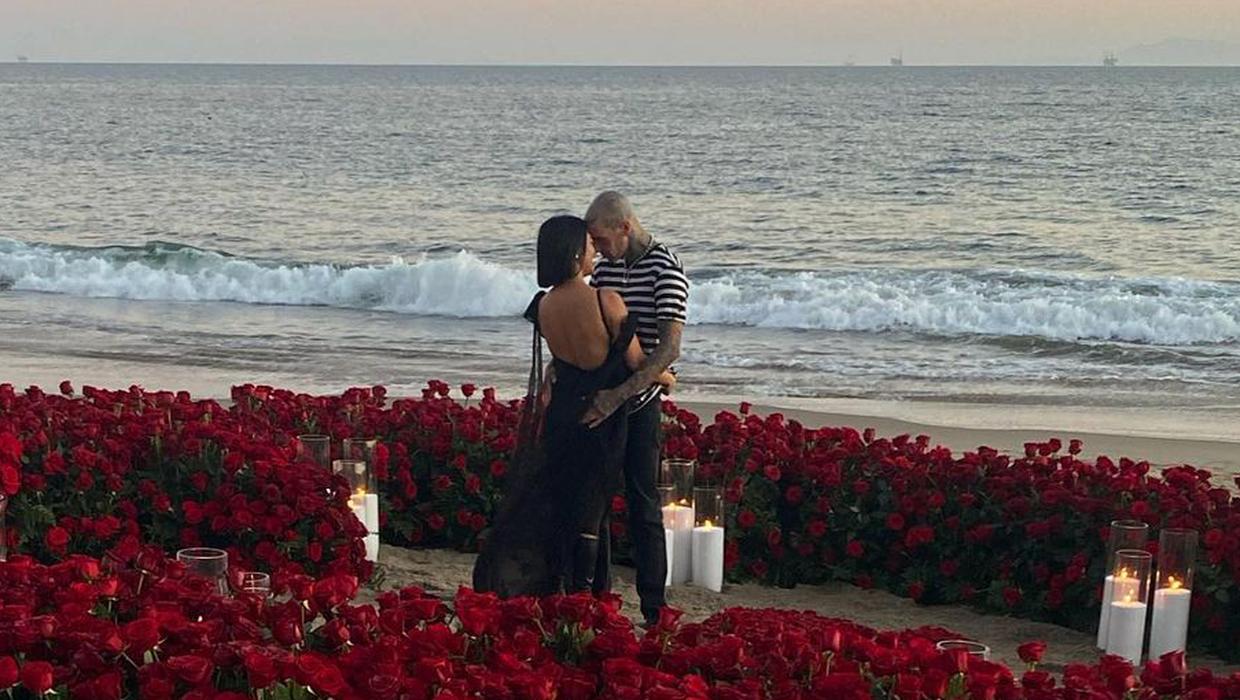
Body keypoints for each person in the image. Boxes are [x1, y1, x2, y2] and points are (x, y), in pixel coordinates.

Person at [472, 214, 673, 597]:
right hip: (603, 419)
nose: (595, 251)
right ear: (576, 253)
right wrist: (667, 377)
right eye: (590, 245)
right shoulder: (606, 300)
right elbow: (637, 362)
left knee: (572, 504)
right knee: (593, 513)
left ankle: (571, 590)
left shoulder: (543, 306)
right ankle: (586, 594)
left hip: (564, 415)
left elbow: (563, 362)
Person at [583, 191, 688, 627]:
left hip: (639, 400)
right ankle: (598, 596)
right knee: (596, 502)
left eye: (601, 240)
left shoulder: (666, 268)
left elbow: (669, 349)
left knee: (643, 504)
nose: (597, 250)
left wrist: (620, 394)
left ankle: (654, 605)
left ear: (624, 227)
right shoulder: (606, 269)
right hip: (604, 395)